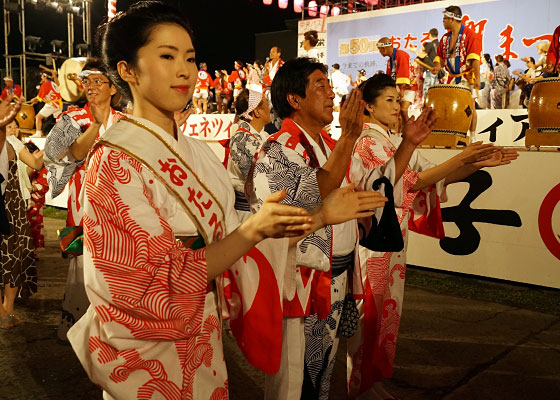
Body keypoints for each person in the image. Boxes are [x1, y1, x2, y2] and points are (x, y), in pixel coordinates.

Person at [66, 3, 383, 399]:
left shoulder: (199, 154)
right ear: (128, 70)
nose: (186, 70)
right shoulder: (113, 160)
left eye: (191, 58)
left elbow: (237, 242)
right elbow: (139, 284)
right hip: (149, 351)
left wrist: (319, 218)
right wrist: (257, 229)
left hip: (202, 331)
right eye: (167, 56)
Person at [346, 74, 519, 400]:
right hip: (373, 239)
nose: (397, 107)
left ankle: (370, 381)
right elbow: (410, 182)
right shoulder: (368, 142)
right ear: (368, 107)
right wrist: (461, 158)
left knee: (385, 312)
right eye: (389, 101)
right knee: (369, 313)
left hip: (392, 239)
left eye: (398, 100)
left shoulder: (393, 141)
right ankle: (359, 386)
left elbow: (432, 177)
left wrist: (476, 164)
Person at [249, 57, 387, 400]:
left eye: (330, 85)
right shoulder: (276, 149)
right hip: (300, 284)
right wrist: (351, 136)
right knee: (293, 380)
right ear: (294, 100)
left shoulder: (326, 143)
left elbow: (365, 183)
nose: (331, 93)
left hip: (335, 279)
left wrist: (409, 143)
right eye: (320, 86)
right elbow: (315, 191)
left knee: (322, 372)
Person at [43, 58, 123, 341]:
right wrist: (96, 126)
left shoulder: (124, 121)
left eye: (97, 81)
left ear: (113, 88)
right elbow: (72, 154)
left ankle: (110, 329)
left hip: (117, 206)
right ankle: (78, 328)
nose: (90, 87)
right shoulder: (72, 118)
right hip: (85, 204)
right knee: (83, 267)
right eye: (86, 81)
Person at [0, 95, 43, 329]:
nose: (12, 127)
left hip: (15, 205)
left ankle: (9, 308)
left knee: (18, 254)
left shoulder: (15, 144)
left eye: (14, 123)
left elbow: (35, 165)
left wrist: (56, 147)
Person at [432, 5, 481, 132]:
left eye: (445, 18)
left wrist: (478, 78)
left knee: (470, 108)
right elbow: (440, 58)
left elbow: (475, 59)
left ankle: (473, 136)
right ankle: (454, 133)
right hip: (451, 78)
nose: (443, 21)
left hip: (466, 77)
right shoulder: (445, 38)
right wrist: (437, 66)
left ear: (452, 19)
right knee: (450, 107)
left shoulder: (470, 35)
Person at [228, 88, 270, 222]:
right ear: (257, 111)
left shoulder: (260, 135)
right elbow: (261, 179)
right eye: (266, 105)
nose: (270, 108)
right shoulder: (242, 138)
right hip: (247, 215)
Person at [376, 38, 416, 123]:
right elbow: (390, 77)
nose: (380, 53)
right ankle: (400, 132)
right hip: (398, 89)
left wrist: (401, 89)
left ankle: (410, 129)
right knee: (397, 113)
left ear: (384, 49)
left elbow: (404, 73)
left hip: (408, 88)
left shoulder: (401, 54)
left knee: (403, 110)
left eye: (380, 50)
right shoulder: (389, 61)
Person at [24, 141, 49, 255]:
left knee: (34, 227)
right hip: (25, 200)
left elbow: (44, 185)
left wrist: (33, 188)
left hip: (35, 203)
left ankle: (33, 251)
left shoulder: (42, 167)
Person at [30, 72, 62, 137]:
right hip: (58, 104)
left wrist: (34, 99)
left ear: (45, 77)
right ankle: (60, 134)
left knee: (38, 117)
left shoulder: (45, 84)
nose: (41, 77)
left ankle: (38, 133)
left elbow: (40, 97)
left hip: (52, 104)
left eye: (42, 76)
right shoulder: (53, 83)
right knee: (58, 120)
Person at [411, 28, 439, 100]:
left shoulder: (430, 44)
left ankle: (426, 106)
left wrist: (415, 51)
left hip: (430, 69)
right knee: (435, 89)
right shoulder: (439, 44)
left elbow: (422, 55)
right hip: (437, 70)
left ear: (430, 35)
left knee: (427, 89)